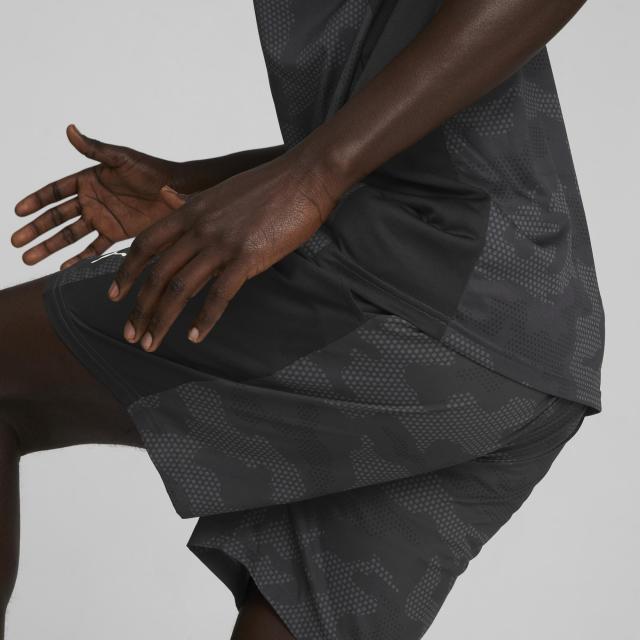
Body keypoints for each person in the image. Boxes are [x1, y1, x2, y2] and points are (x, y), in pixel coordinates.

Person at [2, 0, 604, 638]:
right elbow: (405, 130)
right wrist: (198, 187)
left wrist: (311, 178)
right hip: (535, 344)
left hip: (427, 293)